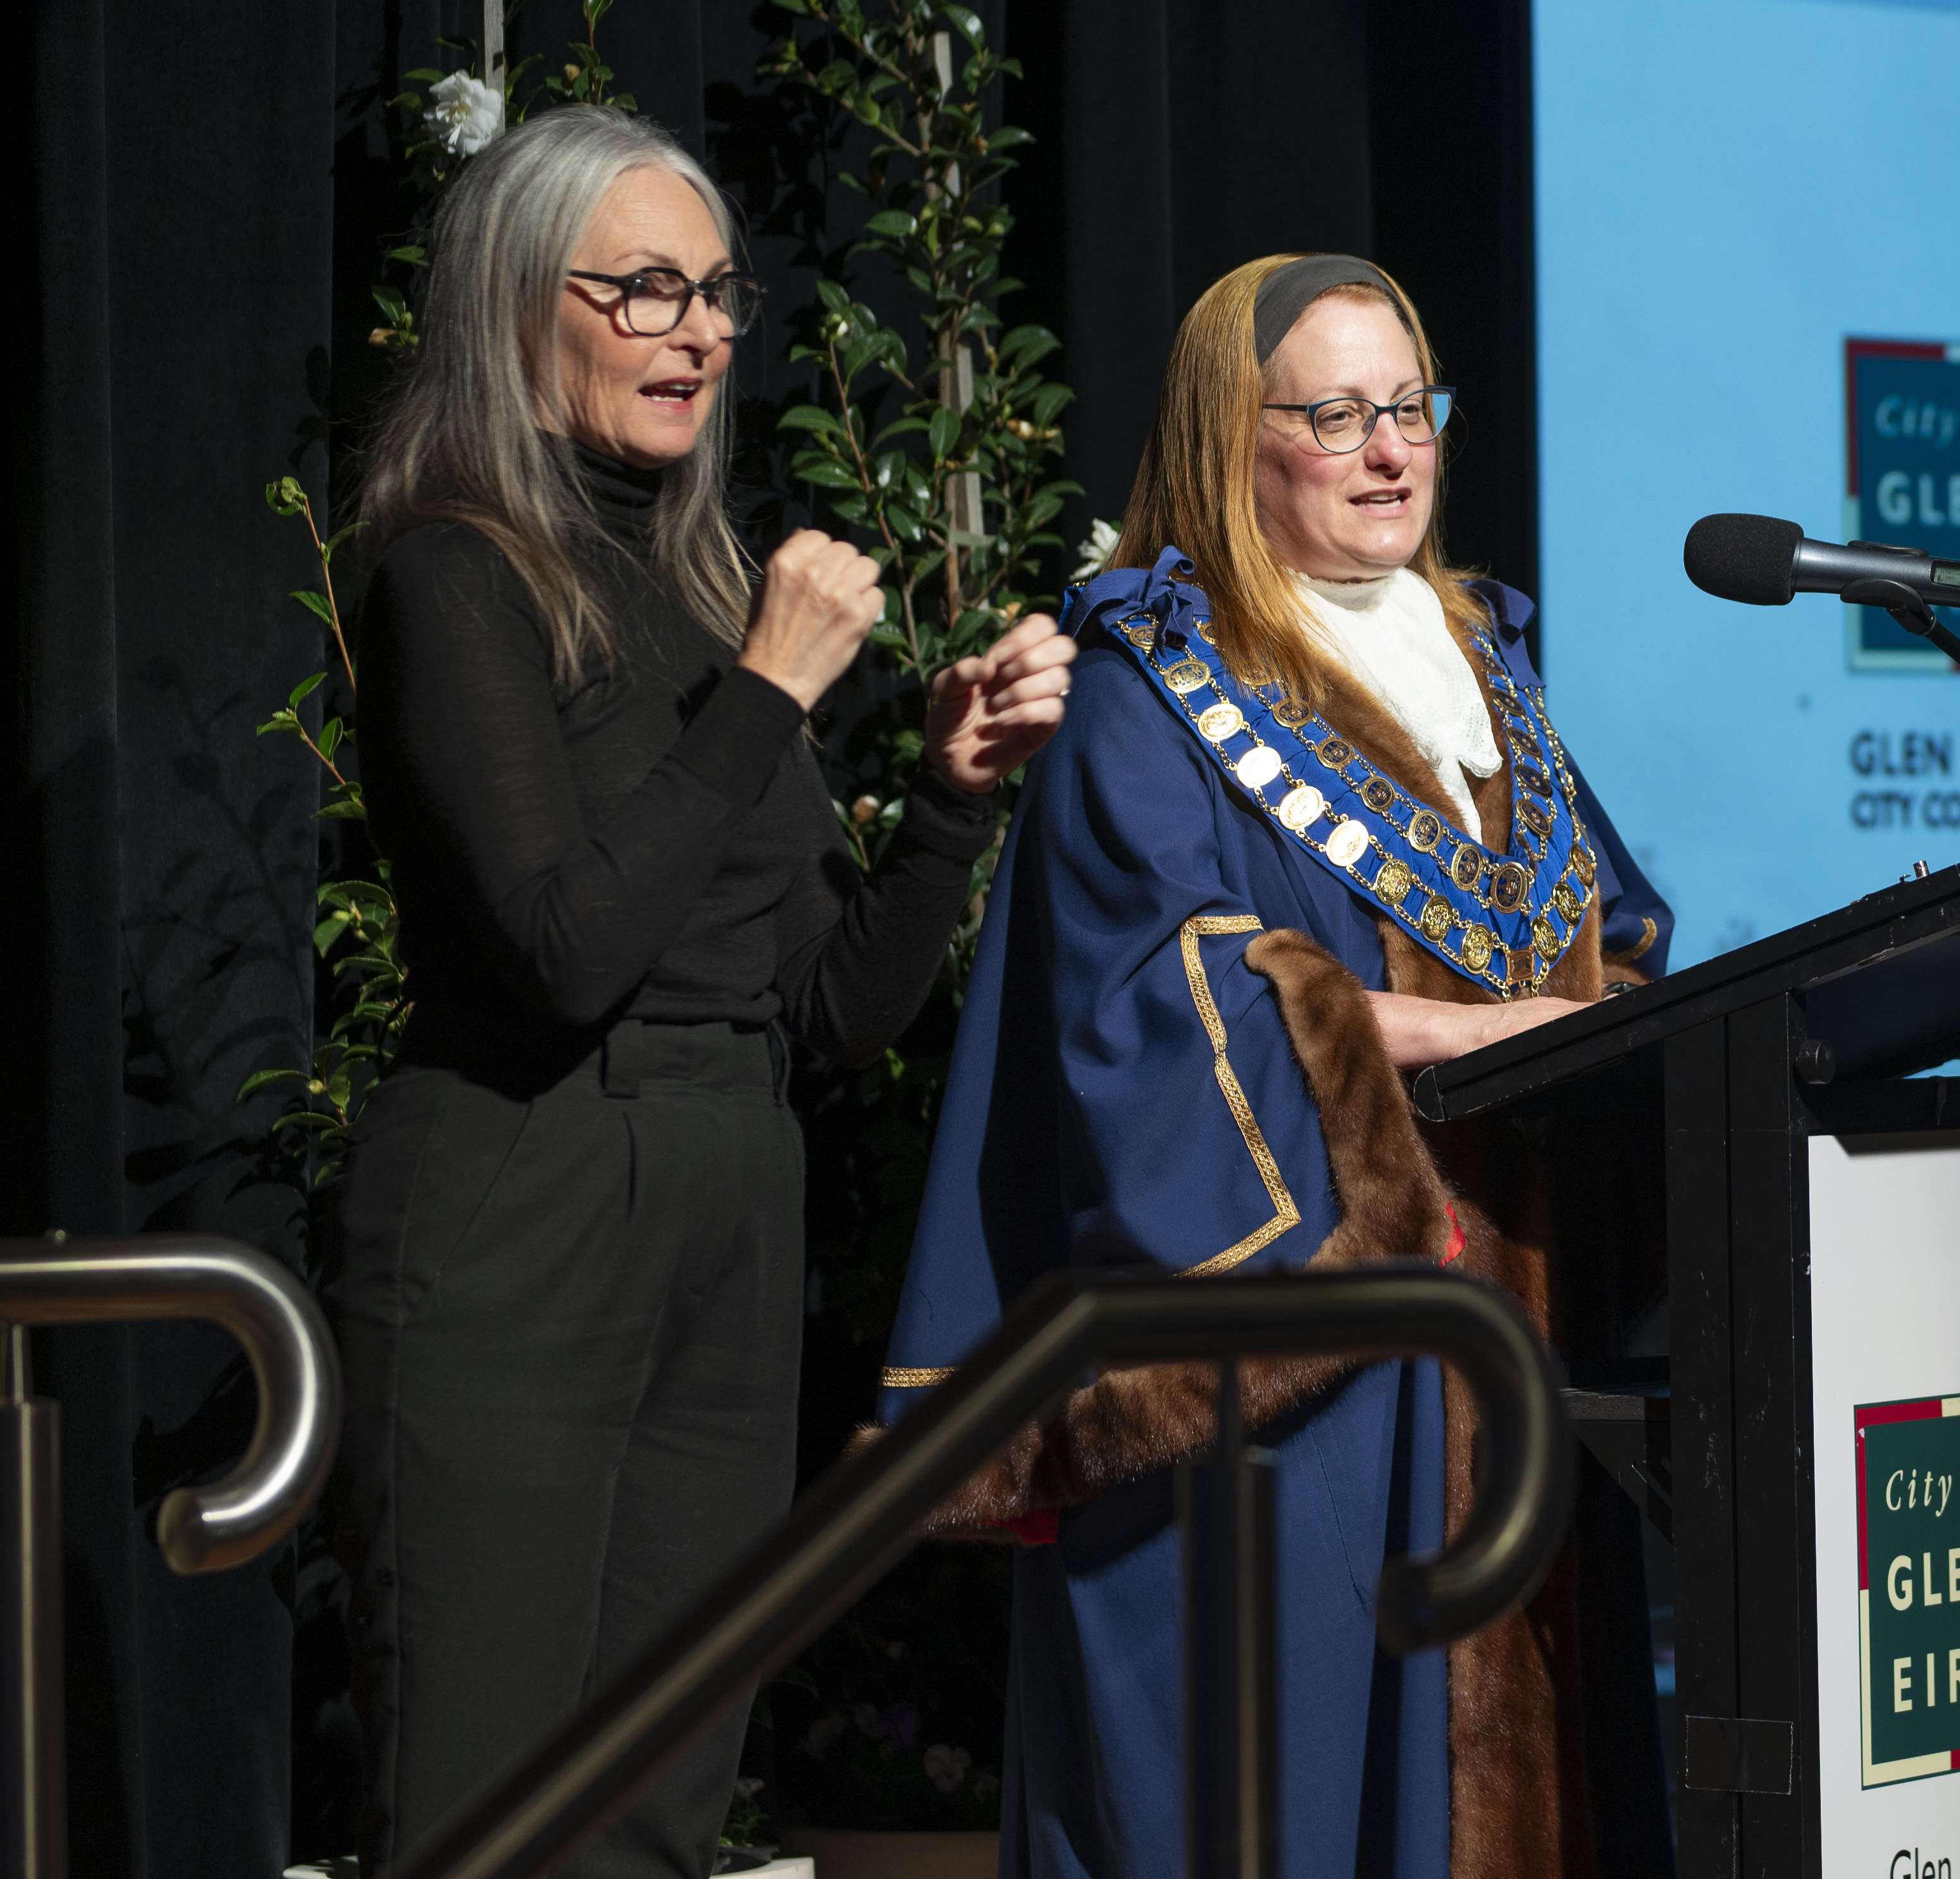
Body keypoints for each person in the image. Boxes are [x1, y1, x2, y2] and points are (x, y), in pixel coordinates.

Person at [332, 104, 1077, 1875]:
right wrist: (768, 691)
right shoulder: (460, 572)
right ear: (522, 306)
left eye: (719, 293)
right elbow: (564, 950)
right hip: (526, 1198)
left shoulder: (706, 590)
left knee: (664, 1808)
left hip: (731, 1204)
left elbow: (824, 1014)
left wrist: (948, 812)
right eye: (647, 288)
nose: (702, 331)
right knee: (487, 1806)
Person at [876, 250, 1672, 1879]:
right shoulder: (1148, 688)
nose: (1391, 451)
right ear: (1233, 438)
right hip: (1302, 1358)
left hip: (1517, 1307)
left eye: (1410, 407)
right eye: (1335, 414)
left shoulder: (1484, 669)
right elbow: (1146, 1006)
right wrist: (1466, 1029)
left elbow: (1614, 925)